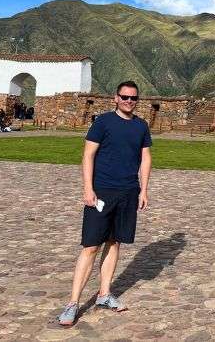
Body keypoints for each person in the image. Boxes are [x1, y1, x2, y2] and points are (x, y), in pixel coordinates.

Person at [57, 81, 153, 327]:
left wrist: (144, 189)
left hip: (128, 191)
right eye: (125, 97)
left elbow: (145, 157)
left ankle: (104, 294)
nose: (129, 101)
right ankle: (73, 303)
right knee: (90, 246)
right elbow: (88, 155)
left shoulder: (141, 126)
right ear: (115, 98)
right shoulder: (102, 123)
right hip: (102, 191)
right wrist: (88, 188)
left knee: (114, 242)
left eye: (133, 98)